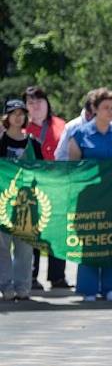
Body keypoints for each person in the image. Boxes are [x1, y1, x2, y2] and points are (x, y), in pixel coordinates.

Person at [67, 88, 112, 301]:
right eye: (106, 107)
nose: (111, 111)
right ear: (94, 109)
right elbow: (73, 166)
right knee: (91, 241)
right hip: (89, 199)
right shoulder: (79, 134)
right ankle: (89, 288)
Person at [23, 86, 70, 291]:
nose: (35, 106)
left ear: (47, 103)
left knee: (57, 233)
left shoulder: (61, 125)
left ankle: (57, 276)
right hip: (30, 189)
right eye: (30, 103)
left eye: (39, 101)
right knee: (31, 232)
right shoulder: (21, 128)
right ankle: (31, 276)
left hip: (58, 186)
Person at [0, 99, 43, 302]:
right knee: (2, 247)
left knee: (25, 249)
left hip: (27, 205)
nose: (18, 117)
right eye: (13, 113)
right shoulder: (0, 141)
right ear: (6, 117)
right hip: (3, 205)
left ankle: (23, 287)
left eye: (21, 113)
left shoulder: (33, 143)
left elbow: (44, 173)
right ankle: (5, 287)